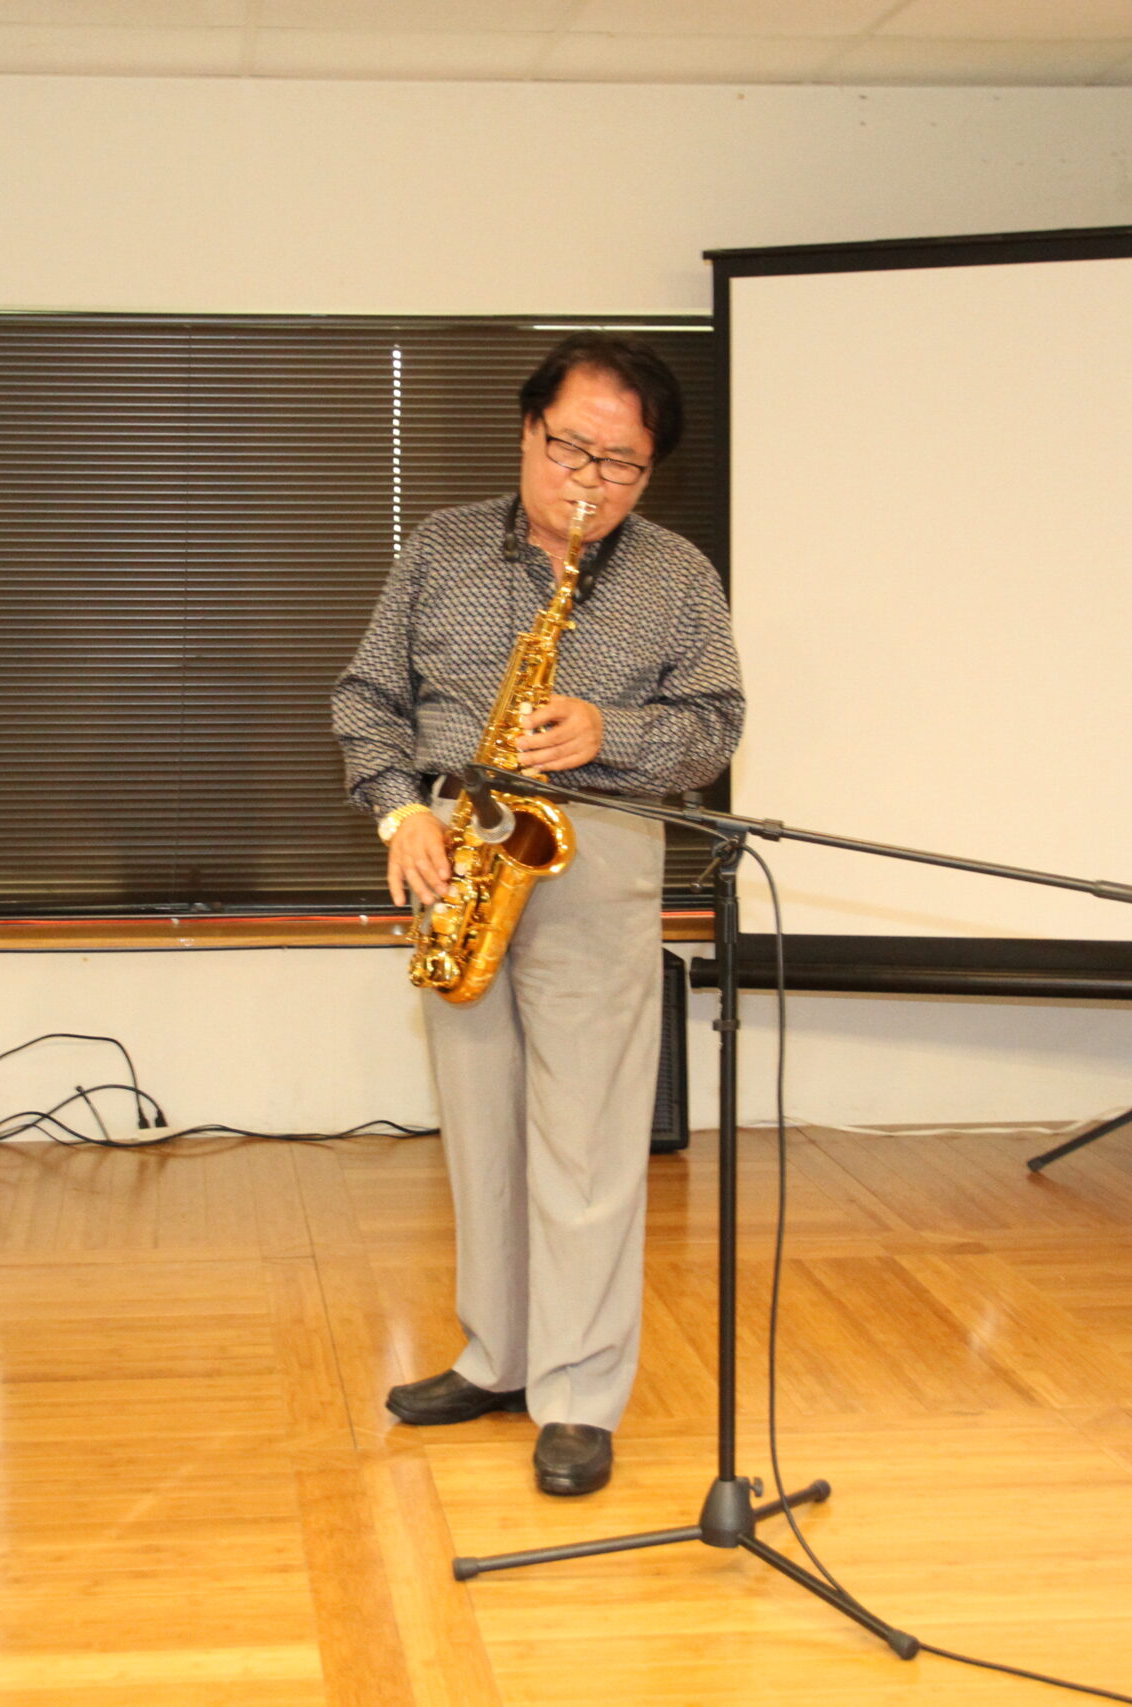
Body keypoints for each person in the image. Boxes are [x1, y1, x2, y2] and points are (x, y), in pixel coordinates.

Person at [332, 333, 743, 1496]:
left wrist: (613, 730)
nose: (589, 481)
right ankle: (498, 1357)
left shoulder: (677, 575)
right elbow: (366, 697)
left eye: (621, 463)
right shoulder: (440, 547)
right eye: (571, 449)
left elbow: (715, 726)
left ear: (649, 470)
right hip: (458, 845)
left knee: (589, 1141)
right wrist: (398, 813)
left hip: (598, 845)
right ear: (527, 431)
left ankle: (577, 1394)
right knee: (480, 1128)